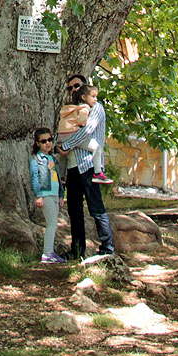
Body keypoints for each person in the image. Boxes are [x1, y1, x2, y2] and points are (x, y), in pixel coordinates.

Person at [57, 77, 114, 259]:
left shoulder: (96, 107)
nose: (73, 89)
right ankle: (77, 250)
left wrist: (66, 146)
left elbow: (87, 131)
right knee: (74, 210)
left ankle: (107, 248)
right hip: (73, 165)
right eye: (71, 87)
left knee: (95, 207)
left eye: (77, 86)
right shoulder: (73, 110)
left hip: (88, 164)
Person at [29, 128, 65, 263]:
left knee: (53, 224)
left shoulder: (53, 159)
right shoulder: (36, 159)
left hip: (55, 194)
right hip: (45, 194)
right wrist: (38, 196)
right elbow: (34, 178)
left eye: (49, 140)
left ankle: (50, 251)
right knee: (52, 223)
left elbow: (58, 179)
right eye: (43, 141)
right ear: (38, 143)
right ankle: (47, 253)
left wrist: (61, 195)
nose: (47, 143)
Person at [80, 85, 113, 184]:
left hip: (87, 159)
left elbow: (85, 129)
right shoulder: (82, 108)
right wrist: (67, 144)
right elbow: (84, 129)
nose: (96, 99)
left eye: (96, 96)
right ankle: (98, 173)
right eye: (93, 96)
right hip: (77, 142)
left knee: (97, 148)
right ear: (84, 97)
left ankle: (98, 172)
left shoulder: (96, 107)